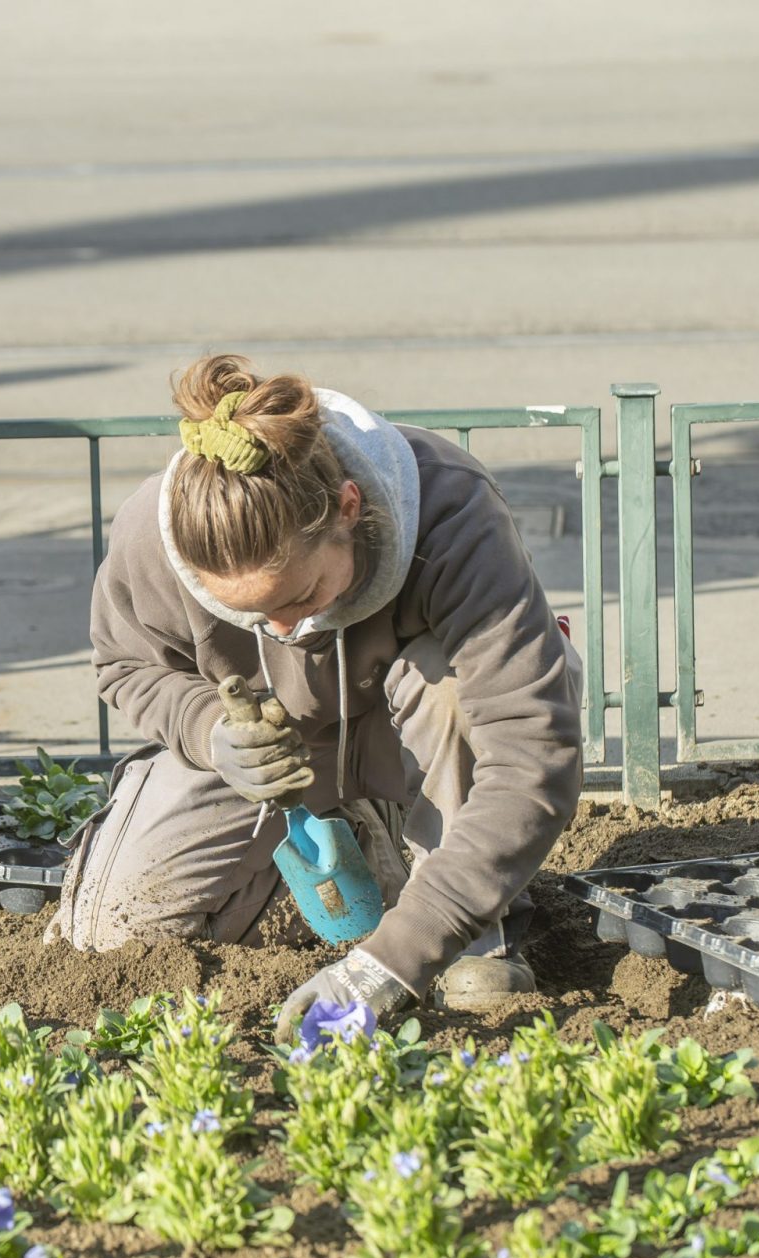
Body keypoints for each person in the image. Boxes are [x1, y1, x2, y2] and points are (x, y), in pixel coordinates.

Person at [44, 354, 582, 1031]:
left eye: (300, 596)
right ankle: (370, 846)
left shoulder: (450, 511)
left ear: (349, 510)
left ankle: (473, 929)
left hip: (411, 737)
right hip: (276, 756)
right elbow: (126, 666)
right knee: (115, 932)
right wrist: (209, 730)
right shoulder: (152, 535)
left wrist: (391, 962)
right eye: (245, 613)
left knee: (444, 686)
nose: (282, 630)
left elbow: (530, 754)